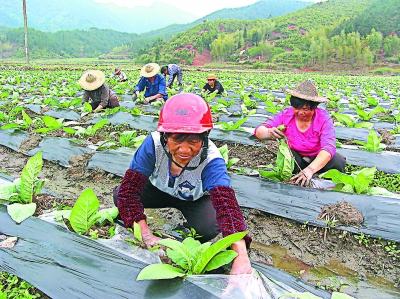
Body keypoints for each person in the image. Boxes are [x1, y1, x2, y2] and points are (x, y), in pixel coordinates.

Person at [113, 93, 252, 275]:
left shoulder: (211, 158)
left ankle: (188, 231)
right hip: (158, 190)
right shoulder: (153, 144)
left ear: (204, 138)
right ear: (165, 136)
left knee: (208, 226)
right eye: (177, 139)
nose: (185, 150)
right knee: (121, 195)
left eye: (194, 141)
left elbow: (227, 206)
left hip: (193, 198)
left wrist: (241, 256)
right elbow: (129, 190)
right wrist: (146, 234)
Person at [254, 80, 346, 187]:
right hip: (296, 158)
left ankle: (321, 178)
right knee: (287, 159)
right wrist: (268, 132)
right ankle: (296, 178)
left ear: (314, 107)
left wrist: (310, 170)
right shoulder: (286, 114)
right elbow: (259, 131)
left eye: (305, 109)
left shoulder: (323, 118)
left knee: (338, 161)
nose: (300, 112)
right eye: (296, 108)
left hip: (318, 157)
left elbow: (328, 147)